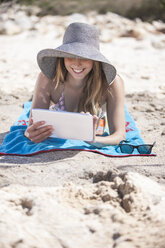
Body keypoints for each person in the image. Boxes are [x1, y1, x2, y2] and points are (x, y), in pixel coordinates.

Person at [24, 22, 125, 147]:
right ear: (62, 57)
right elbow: (30, 129)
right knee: (30, 104)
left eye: (84, 57)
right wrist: (30, 134)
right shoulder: (48, 79)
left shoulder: (112, 84)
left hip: (97, 124)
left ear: (95, 60)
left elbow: (120, 136)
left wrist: (94, 140)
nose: (77, 64)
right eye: (70, 56)